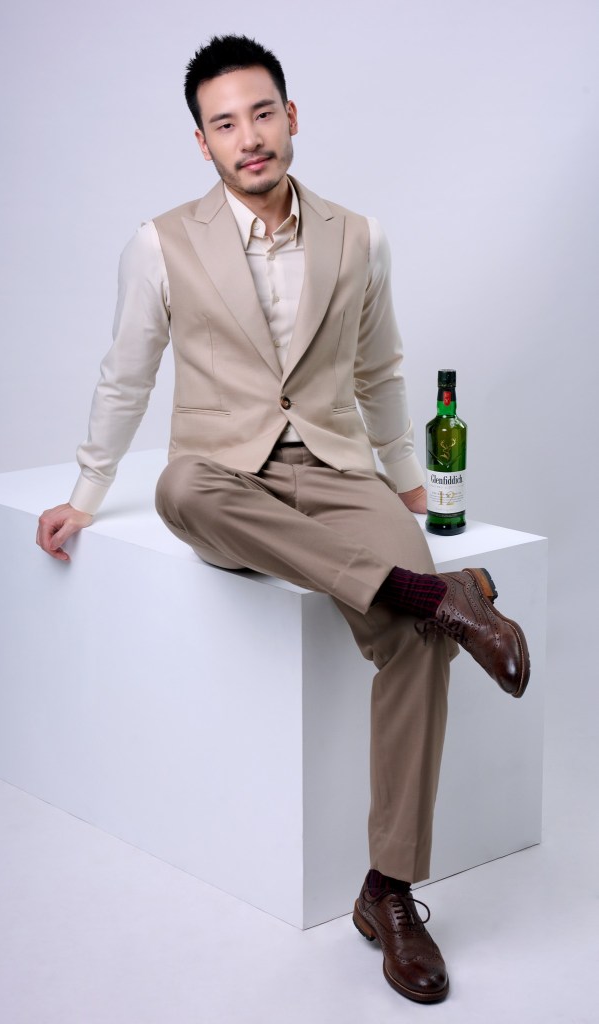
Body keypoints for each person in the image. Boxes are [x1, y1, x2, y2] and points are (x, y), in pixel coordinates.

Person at [36, 34, 530, 1004]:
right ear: (202, 142)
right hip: (226, 475)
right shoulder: (159, 243)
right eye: (224, 124)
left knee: (413, 641)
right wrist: (87, 492)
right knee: (178, 490)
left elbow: (380, 371)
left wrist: (405, 485)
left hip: (337, 467)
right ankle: (442, 594)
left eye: (262, 113)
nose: (248, 136)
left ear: (291, 116)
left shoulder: (360, 236)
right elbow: (126, 373)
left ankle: (387, 890)